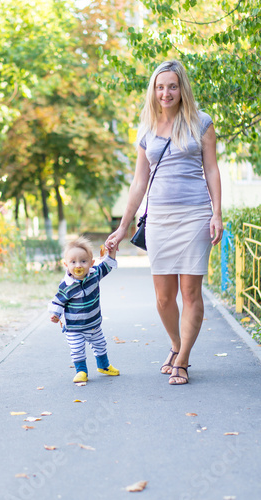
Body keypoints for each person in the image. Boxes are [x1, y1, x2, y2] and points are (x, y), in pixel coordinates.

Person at [105, 60, 223, 385]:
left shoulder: (201, 123)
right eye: (160, 87)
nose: (165, 92)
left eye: (172, 86)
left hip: (195, 216)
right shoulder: (146, 129)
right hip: (157, 219)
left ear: (181, 88)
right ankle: (176, 343)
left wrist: (217, 212)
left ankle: (182, 359)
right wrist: (123, 225)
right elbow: (139, 182)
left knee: (190, 293)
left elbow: (211, 170)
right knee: (163, 297)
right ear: (153, 90)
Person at [49, 236, 120, 383]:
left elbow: (107, 266)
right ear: (66, 265)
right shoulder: (66, 285)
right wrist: (55, 315)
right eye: (73, 262)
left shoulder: (94, 275)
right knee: (77, 350)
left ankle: (104, 366)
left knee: (100, 345)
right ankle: (81, 371)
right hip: (74, 328)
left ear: (91, 263)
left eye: (83, 261)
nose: (78, 265)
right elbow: (58, 301)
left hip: (94, 325)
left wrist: (111, 252)